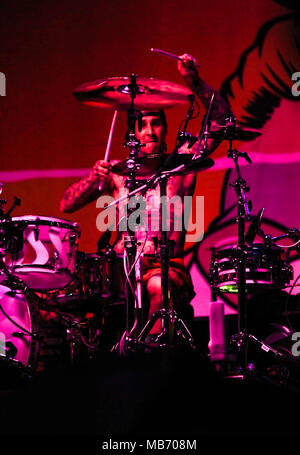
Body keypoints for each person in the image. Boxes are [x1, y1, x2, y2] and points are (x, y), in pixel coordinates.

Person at [60, 54, 233, 342]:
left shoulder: (181, 166)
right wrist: (93, 178)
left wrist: (194, 81)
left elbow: (222, 123)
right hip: (119, 273)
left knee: (156, 288)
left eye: (156, 123)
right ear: (132, 133)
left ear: (165, 129)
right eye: (142, 125)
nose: (149, 131)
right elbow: (67, 204)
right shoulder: (116, 172)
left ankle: (148, 359)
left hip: (165, 268)